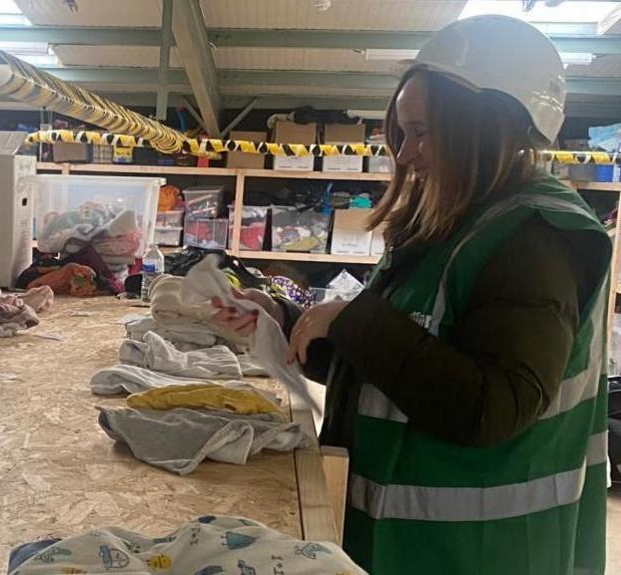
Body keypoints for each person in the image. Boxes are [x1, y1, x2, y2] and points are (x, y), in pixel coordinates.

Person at [213, 15, 609, 575]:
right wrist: (288, 321)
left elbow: (489, 408)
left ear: (486, 123)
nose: (407, 154)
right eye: (404, 134)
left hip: (479, 552)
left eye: (423, 132)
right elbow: (398, 370)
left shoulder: (535, 238)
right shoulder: (451, 224)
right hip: (408, 538)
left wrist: (353, 320)